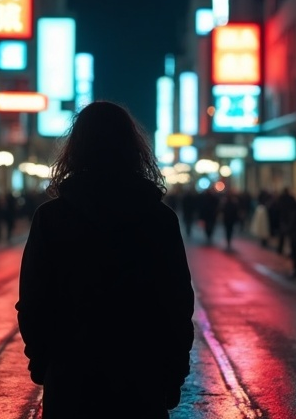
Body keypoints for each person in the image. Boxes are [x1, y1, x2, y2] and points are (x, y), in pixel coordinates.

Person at [15, 101, 195, 419]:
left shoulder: (51, 218)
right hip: (141, 375)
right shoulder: (159, 218)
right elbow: (177, 303)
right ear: (134, 148)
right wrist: (173, 373)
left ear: (76, 149)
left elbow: (33, 302)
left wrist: (43, 364)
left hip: (71, 376)